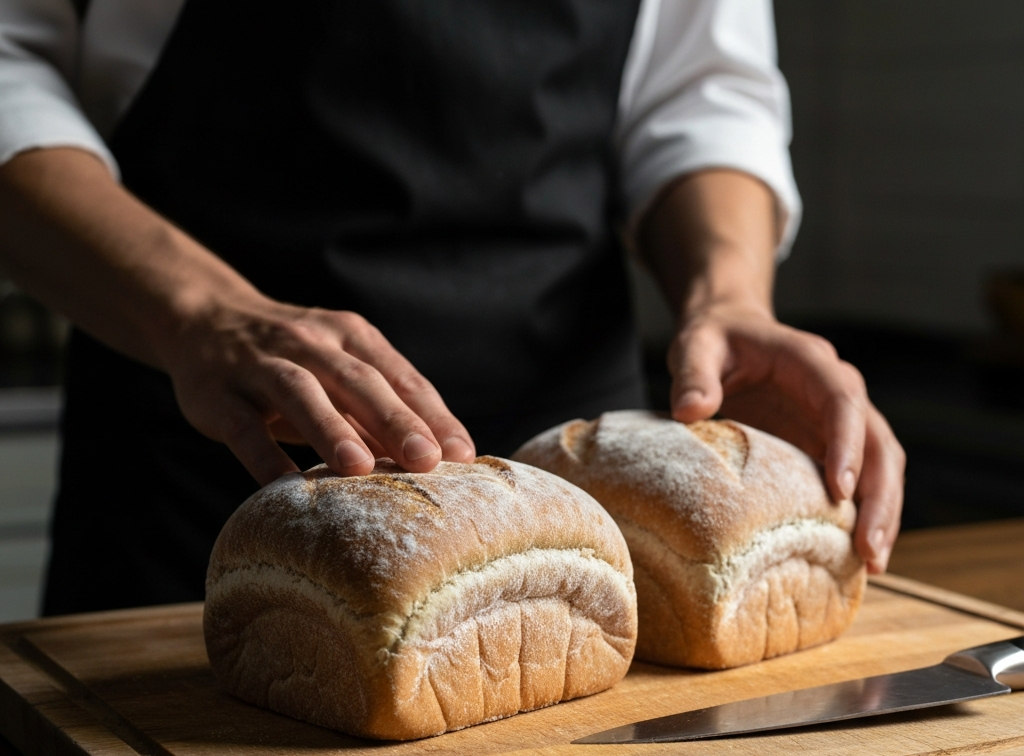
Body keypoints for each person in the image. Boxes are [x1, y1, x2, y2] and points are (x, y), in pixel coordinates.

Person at [0, 0, 904, 616]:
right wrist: (198, 310)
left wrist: (729, 293)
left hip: (583, 479)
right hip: (219, 455)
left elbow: (700, 90)